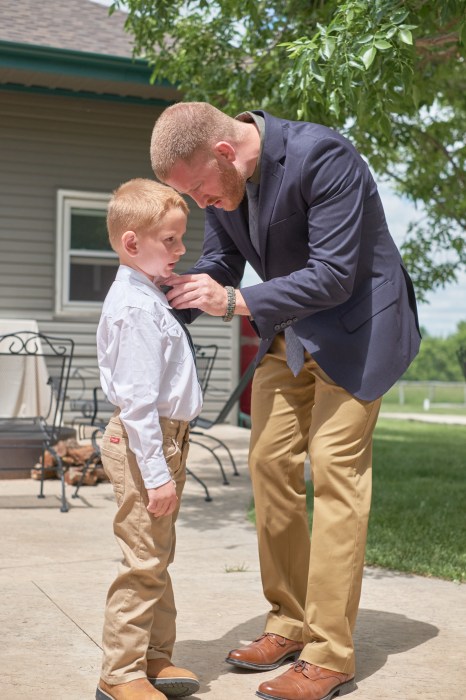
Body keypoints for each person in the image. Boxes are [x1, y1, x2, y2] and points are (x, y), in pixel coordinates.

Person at [149, 103, 421, 700]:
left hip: (358, 331)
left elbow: (334, 275)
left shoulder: (323, 156)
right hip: (291, 333)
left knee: (333, 470)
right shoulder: (222, 185)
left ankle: (329, 654)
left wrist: (233, 302)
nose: (200, 203)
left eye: (199, 190)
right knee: (269, 463)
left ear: (225, 153)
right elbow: (221, 262)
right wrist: (165, 300)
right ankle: (289, 622)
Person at [95, 178, 202, 700]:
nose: (180, 250)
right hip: (146, 441)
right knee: (143, 558)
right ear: (132, 243)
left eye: (182, 238)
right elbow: (138, 402)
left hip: (164, 439)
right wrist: (156, 474)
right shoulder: (136, 308)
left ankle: (154, 656)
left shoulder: (148, 296)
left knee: (157, 555)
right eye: (170, 240)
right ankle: (120, 673)